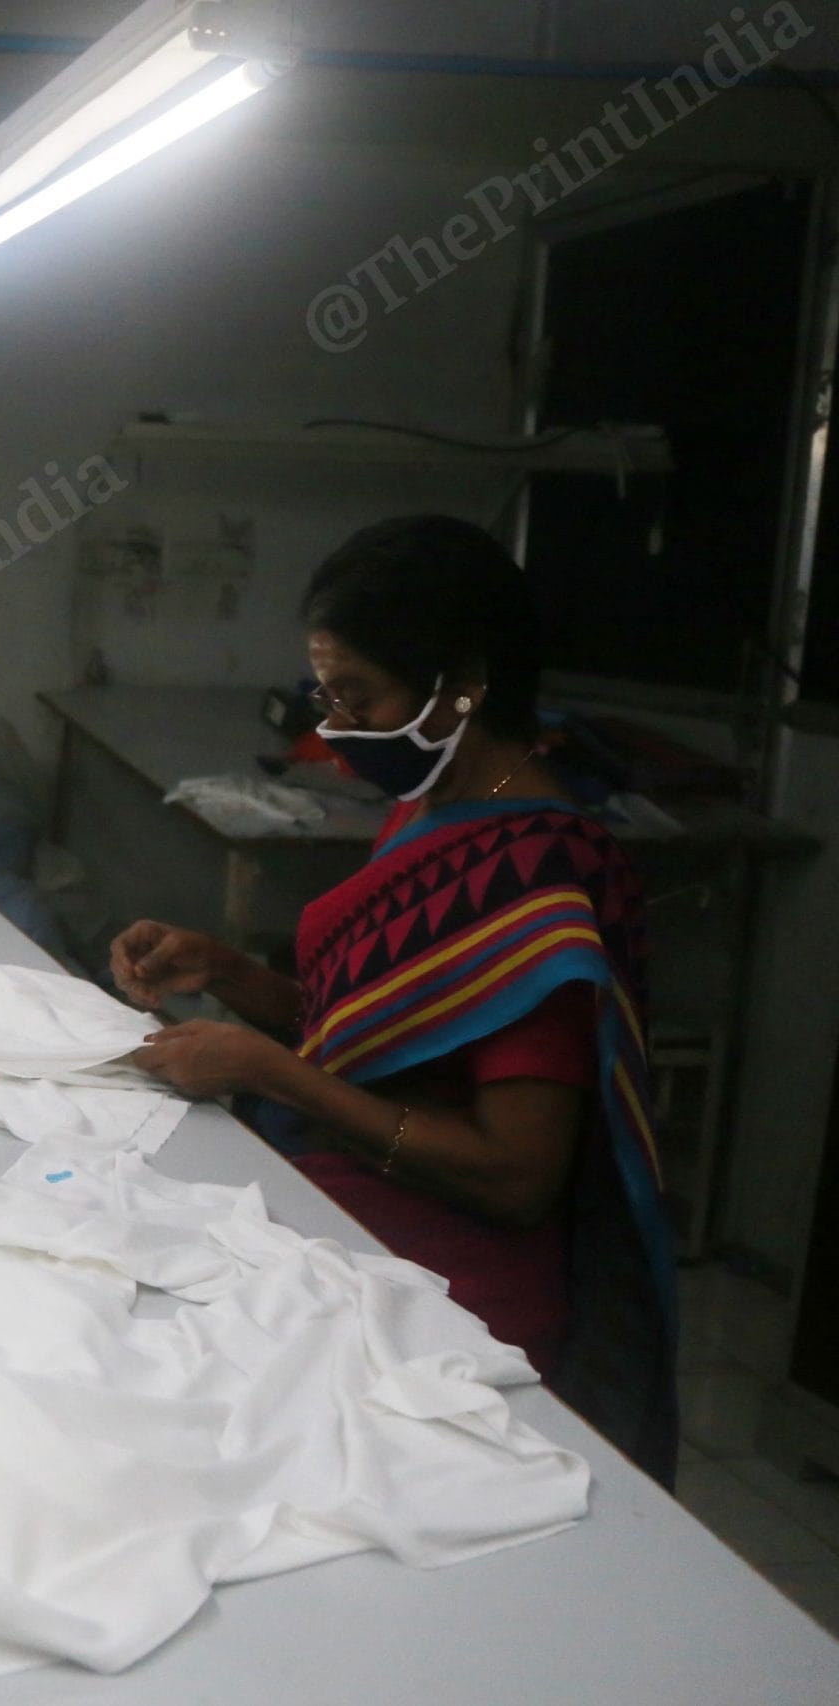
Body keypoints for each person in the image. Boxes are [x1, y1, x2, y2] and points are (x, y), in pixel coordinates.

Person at [114, 514, 677, 1481]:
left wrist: (273, 1076)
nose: (334, 726)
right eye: (325, 693)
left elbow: (517, 1173)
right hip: (356, 1230)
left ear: (463, 685)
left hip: (447, 1302)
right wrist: (229, 975)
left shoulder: (536, 879)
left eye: (358, 697)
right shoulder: (434, 811)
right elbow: (384, 1045)